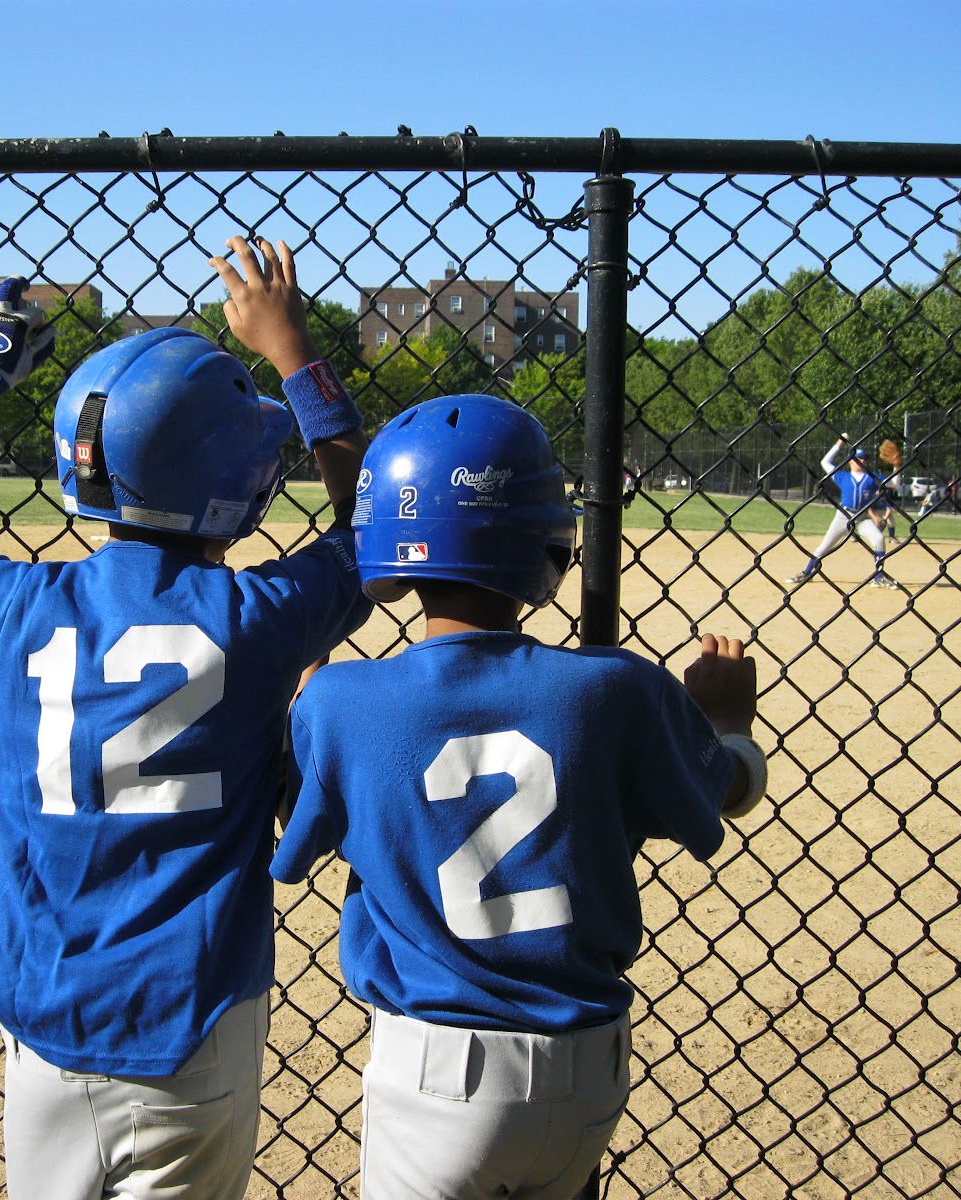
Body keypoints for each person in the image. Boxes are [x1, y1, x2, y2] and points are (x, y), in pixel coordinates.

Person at [0, 237, 371, 1200]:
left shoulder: (9, 608)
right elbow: (369, 531)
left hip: (42, 1024)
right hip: (193, 1024)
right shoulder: (259, 619)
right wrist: (296, 356)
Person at [270, 394, 767, 1200]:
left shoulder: (342, 702)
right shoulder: (617, 690)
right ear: (548, 542)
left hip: (438, 1074)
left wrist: (300, 708)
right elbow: (727, 791)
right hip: (587, 1074)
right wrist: (727, 720)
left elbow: (301, 829)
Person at [786, 436, 899, 590]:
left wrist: (896, 466)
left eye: (865, 458)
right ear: (851, 460)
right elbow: (825, 462)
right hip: (843, 517)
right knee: (825, 546)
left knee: (879, 538)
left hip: (863, 518)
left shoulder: (872, 478)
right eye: (859, 458)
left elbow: (894, 483)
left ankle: (878, 578)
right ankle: (806, 572)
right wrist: (839, 443)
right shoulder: (842, 476)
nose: (863, 461)